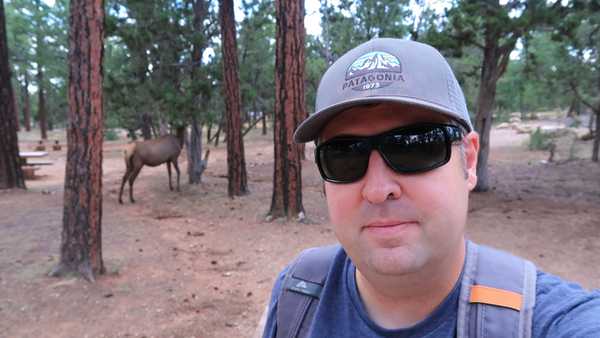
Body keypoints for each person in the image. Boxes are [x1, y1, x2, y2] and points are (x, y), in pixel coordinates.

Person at [261, 38, 600, 338]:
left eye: (414, 147)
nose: (378, 190)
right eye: (344, 155)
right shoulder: (298, 294)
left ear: (468, 161)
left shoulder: (547, 319)